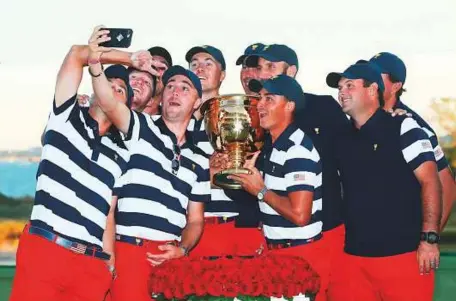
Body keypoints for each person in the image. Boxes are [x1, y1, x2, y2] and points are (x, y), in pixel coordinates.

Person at [86, 27, 211, 301]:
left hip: (170, 262)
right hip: (129, 253)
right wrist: (96, 66)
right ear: (162, 95)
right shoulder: (140, 127)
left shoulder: (199, 157)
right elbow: (108, 102)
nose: (175, 92)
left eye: (184, 88)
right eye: (169, 87)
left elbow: (196, 220)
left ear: (197, 101)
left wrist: (184, 249)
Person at [9, 27, 133, 301]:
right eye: (109, 82)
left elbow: (109, 214)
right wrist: (130, 58)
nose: (113, 89)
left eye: (121, 90)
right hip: (46, 248)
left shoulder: (122, 153)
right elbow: (76, 55)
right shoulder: (64, 115)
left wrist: (108, 265)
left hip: (90, 265)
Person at [325, 62, 441, 301]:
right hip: (353, 259)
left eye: (350, 85)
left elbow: (431, 182)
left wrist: (429, 239)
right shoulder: (340, 138)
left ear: (371, 90)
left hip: (404, 257)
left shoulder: (404, 126)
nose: (341, 92)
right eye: (339, 87)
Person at [245, 44, 350, 298]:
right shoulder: (271, 136)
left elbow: (300, 212)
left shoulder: (316, 118)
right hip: (281, 245)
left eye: (271, 66)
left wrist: (260, 191)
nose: (263, 73)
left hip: (315, 240)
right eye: (260, 68)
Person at [229, 75, 328, 301]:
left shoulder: (297, 149)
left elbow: (300, 214)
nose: (260, 104)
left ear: (290, 105)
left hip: (299, 258)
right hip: (279, 253)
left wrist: (260, 191)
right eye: (260, 98)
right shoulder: (275, 146)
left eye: (270, 99)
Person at [184, 45, 266, 257]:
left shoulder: (241, 117)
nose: (199, 69)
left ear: (222, 75)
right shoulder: (176, 123)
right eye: (194, 65)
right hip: (190, 229)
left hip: (235, 225)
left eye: (207, 63)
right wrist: (206, 175)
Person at [361, 52, 456, 231]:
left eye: (377, 75)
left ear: (396, 85)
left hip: (401, 241)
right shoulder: (361, 119)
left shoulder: (415, 127)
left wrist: (429, 239)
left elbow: (448, 187)